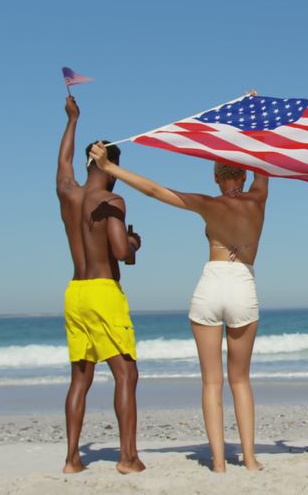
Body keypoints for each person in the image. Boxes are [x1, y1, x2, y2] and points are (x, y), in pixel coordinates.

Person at [89, 124, 268, 472]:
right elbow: (263, 157)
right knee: (241, 380)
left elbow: (155, 191)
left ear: (216, 179)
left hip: (211, 285)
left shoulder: (207, 203)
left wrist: (108, 167)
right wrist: (253, 120)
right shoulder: (259, 197)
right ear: (245, 175)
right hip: (242, 284)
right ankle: (249, 459)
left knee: (211, 382)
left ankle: (218, 462)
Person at [58, 115, 145, 474]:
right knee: (126, 373)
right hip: (103, 291)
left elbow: (63, 162)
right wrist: (135, 241)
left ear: (87, 162)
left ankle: (72, 459)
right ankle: (128, 458)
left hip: (74, 292)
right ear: (111, 167)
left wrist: (72, 119)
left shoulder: (68, 191)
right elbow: (121, 251)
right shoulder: (112, 198)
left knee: (81, 377)